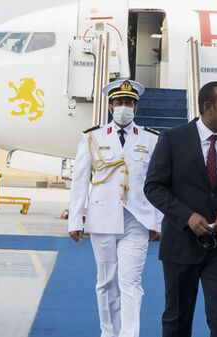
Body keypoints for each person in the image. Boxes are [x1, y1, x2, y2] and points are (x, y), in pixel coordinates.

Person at [143, 81, 217, 337]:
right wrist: (187, 216)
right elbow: (153, 187)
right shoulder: (172, 139)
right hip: (181, 245)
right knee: (177, 320)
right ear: (208, 107)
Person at [68, 79, 162, 337]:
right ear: (111, 106)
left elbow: (159, 182)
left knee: (131, 282)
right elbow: (80, 180)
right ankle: (108, 332)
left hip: (137, 219)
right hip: (103, 217)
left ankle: (129, 334)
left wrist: (157, 221)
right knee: (106, 282)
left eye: (129, 103)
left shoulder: (151, 139)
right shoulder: (92, 137)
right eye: (119, 102)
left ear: (136, 108)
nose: (124, 107)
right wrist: (76, 220)